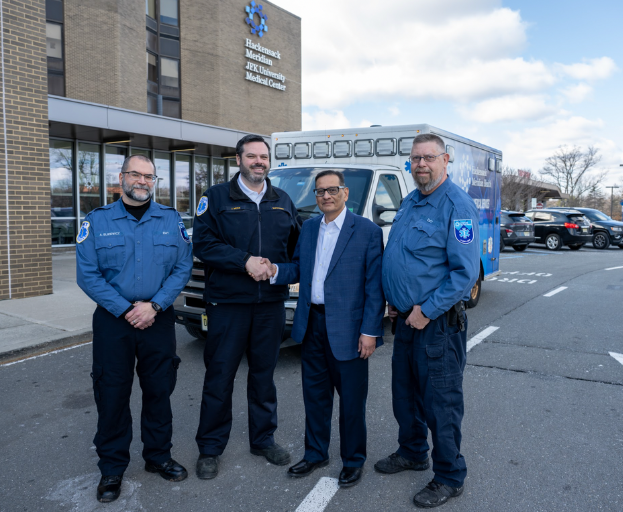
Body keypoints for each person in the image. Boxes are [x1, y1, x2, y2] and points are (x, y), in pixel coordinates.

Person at [76, 154, 193, 503]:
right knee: (112, 393)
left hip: (158, 319)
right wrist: (127, 309)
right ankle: (112, 468)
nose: (142, 181)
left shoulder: (171, 221)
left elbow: (182, 267)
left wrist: (155, 305)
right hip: (115, 321)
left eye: (149, 176)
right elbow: (88, 274)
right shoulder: (97, 221)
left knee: (159, 390)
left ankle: (158, 456)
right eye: (135, 174)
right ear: (122, 177)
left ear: (154, 181)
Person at [375, 134, 479, 508]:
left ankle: (450, 476)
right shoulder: (410, 202)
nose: (421, 164)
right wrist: (395, 300)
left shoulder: (457, 205)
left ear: (445, 160)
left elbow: (463, 274)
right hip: (405, 319)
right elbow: (402, 258)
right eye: (415, 158)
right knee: (405, 395)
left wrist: (426, 310)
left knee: (441, 403)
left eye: (428, 158)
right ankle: (413, 451)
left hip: (436, 324)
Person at [267, 170, 384, 488]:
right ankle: (316, 453)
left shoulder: (367, 231)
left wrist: (370, 331)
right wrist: (275, 270)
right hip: (312, 324)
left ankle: (353, 460)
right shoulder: (308, 229)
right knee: (315, 397)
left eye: (332, 190)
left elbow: (375, 287)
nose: (326, 196)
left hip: (349, 329)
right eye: (319, 192)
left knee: (351, 401)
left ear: (345, 193)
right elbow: (299, 269)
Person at [193, 134, 301, 480]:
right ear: (238, 160)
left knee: (263, 376)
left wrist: (276, 271)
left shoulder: (283, 199)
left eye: (264, 156)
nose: (259, 161)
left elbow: (295, 251)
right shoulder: (216, 198)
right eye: (252, 156)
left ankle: (263, 439)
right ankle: (210, 448)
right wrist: (245, 262)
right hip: (227, 305)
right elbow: (204, 244)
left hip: (269, 304)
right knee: (219, 377)